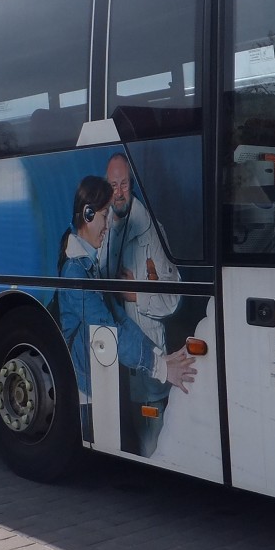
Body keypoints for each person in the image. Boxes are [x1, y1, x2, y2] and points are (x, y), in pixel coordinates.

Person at [56, 174, 194, 448]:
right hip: (86, 391)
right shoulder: (75, 273)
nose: (108, 225)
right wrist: (162, 369)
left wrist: (160, 357)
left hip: (97, 382)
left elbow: (118, 317)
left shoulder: (88, 264)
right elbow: (110, 331)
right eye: (104, 215)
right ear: (88, 214)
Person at [97, 152, 182, 457]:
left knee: (152, 451)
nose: (118, 192)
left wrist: (136, 295)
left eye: (124, 184)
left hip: (147, 366)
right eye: (113, 185)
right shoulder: (102, 230)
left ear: (132, 185)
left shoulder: (152, 230)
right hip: (111, 363)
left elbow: (172, 299)